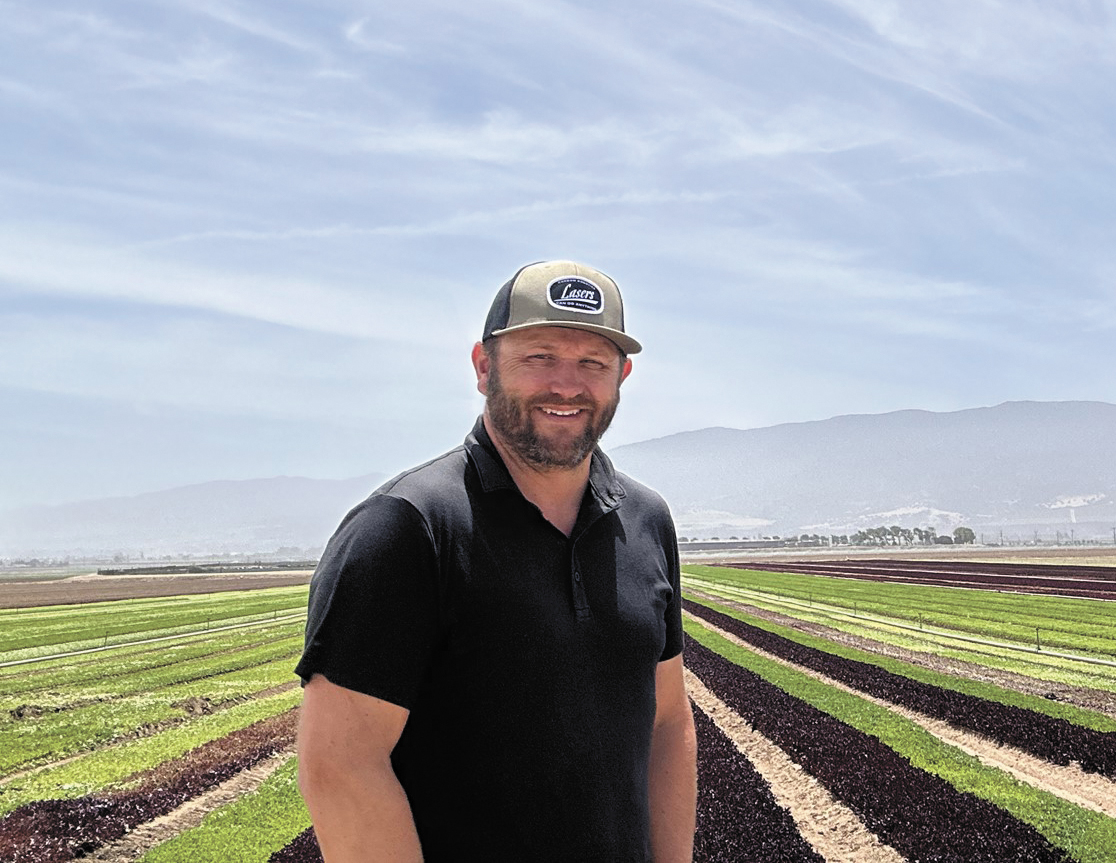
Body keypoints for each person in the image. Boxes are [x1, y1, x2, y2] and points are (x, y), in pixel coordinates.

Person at [295, 260, 697, 862]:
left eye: (592, 363)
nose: (567, 384)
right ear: (484, 368)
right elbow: (341, 763)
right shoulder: (407, 528)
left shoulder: (645, 521)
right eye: (539, 357)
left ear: (622, 376)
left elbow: (667, 721)